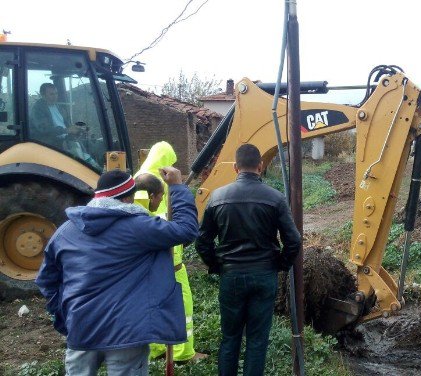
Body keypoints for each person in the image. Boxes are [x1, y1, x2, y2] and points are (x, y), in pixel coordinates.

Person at [35, 168, 198, 376]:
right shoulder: (140, 228)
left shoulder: (66, 232)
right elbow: (186, 229)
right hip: (127, 333)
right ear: (129, 198)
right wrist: (177, 187)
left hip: (82, 327)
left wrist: (66, 316)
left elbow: (47, 281)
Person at [195, 143, 301, 376]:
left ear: (235, 167)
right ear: (261, 166)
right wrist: (280, 265)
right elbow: (294, 240)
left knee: (230, 338)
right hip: (264, 276)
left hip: (231, 276)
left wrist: (216, 265)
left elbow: (202, 242)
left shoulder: (217, 197)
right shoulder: (275, 198)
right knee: (257, 340)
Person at [134, 141, 205, 362]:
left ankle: (156, 349)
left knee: (151, 307)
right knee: (182, 310)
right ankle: (182, 354)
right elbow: (182, 230)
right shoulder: (157, 192)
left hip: (146, 269)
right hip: (171, 266)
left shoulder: (138, 184)